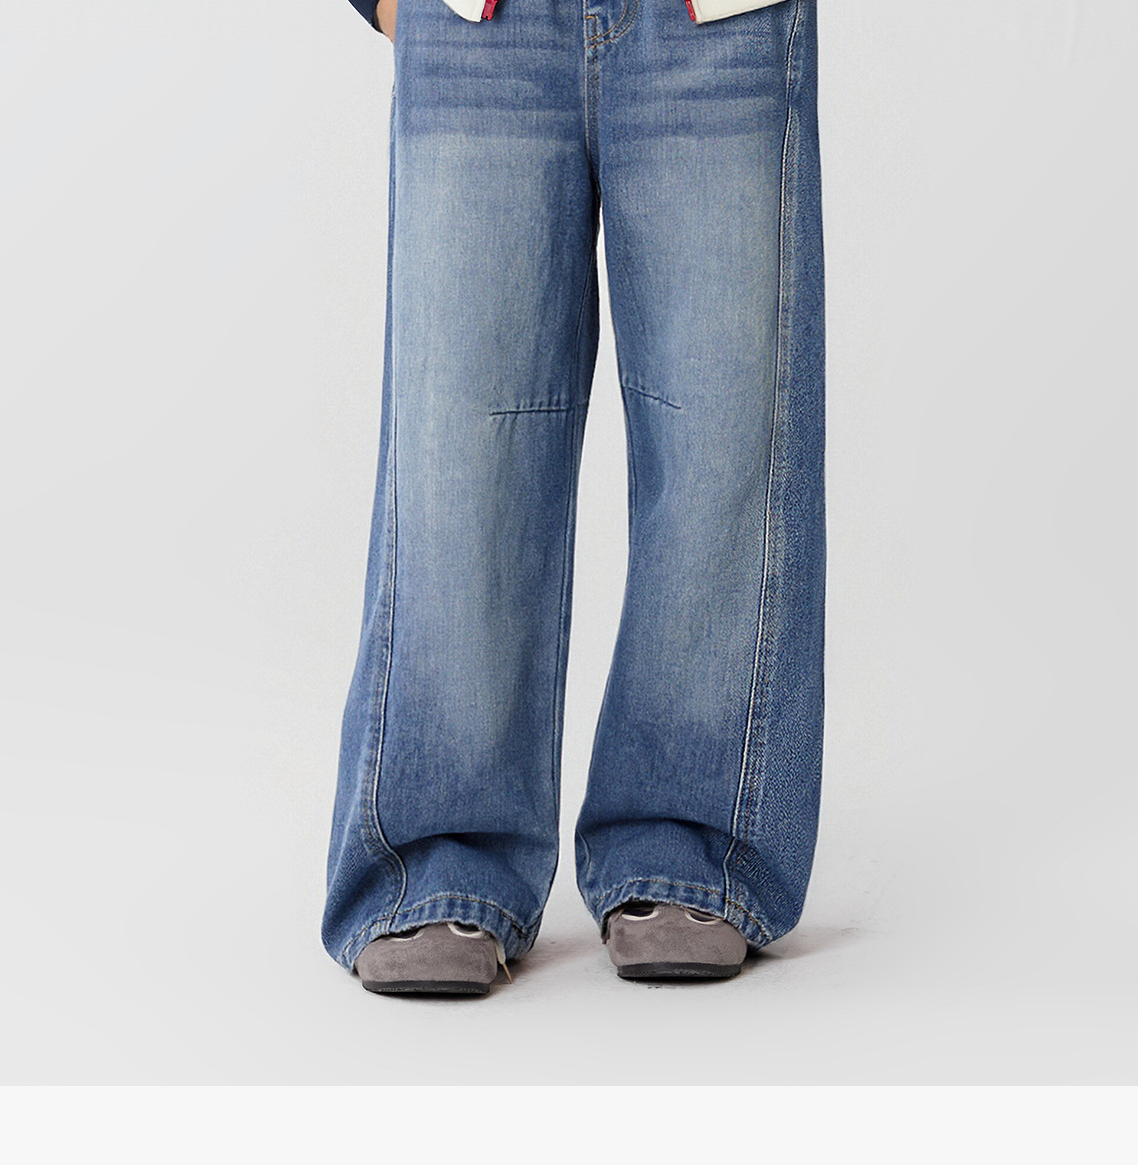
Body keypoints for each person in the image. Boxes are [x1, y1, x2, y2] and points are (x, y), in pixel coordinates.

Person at [324, 0, 826, 995]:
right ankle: (438, 859)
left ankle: (694, 847)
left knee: (727, 435)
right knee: (457, 449)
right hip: (477, 26)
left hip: (717, 26)